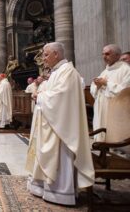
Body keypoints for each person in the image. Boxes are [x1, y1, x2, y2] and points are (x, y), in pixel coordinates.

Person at [26, 42, 94, 205]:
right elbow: (53, 93)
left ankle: (60, 193)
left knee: (60, 158)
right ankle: (45, 187)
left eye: (46, 54)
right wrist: (42, 94)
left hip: (62, 128)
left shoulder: (68, 72)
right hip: (54, 123)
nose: (43, 58)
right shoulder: (58, 72)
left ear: (56, 54)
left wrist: (40, 96)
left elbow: (59, 97)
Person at [90, 44, 130, 141]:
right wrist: (97, 85)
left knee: (116, 137)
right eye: (103, 54)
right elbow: (94, 90)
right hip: (101, 107)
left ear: (117, 55)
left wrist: (106, 83)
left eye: (107, 54)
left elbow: (125, 89)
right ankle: (104, 149)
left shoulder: (126, 70)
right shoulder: (105, 71)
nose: (104, 56)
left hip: (116, 109)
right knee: (102, 133)